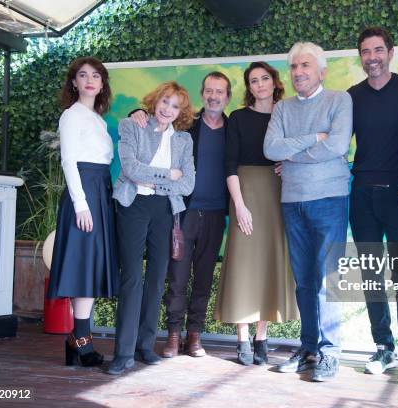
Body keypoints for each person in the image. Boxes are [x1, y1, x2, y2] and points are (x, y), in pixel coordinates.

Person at [264, 42, 352, 382]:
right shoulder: (283, 108)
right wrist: (313, 138)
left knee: (329, 280)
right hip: (292, 201)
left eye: (306, 66)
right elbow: (270, 148)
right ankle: (309, 348)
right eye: (294, 67)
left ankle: (330, 353)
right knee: (304, 282)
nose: (299, 72)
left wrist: (292, 155)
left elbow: (338, 145)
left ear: (321, 71)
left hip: (330, 198)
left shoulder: (339, 100)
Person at [130, 72, 231, 359]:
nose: (213, 96)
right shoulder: (188, 124)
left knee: (203, 277)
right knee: (177, 276)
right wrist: (136, 111)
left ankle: (195, 334)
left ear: (227, 97)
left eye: (219, 92)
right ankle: (173, 334)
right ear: (202, 94)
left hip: (215, 214)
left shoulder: (233, 127)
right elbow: (154, 121)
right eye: (209, 90)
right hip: (183, 211)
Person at [347, 27, 398, 377]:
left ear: (391, 52)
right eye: (365, 51)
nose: (372, 57)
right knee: (371, 276)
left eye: (378, 50)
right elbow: (332, 142)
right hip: (361, 194)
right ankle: (383, 347)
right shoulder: (351, 96)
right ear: (360, 56)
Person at [213, 61, 298, 366]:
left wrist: (288, 162)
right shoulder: (237, 118)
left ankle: (262, 337)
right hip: (245, 193)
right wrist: (239, 205)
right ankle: (242, 339)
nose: (260, 84)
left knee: (269, 262)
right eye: (253, 80)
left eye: (264, 78)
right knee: (243, 263)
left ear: (274, 82)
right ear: (248, 87)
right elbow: (229, 164)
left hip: (279, 192)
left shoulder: (288, 113)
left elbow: (299, 149)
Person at [108, 81, 195, 375]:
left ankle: (145, 347)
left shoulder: (184, 141)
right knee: (132, 277)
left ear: (181, 112)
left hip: (164, 209)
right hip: (133, 207)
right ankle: (122, 353)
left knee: (157, 278)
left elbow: (187, 184)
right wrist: (167, 174)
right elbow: (130, 169)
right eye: (165, 101)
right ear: (155, 100)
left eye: (175, 105)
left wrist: (154, 180)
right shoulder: (131, 126)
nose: (168, 109)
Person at [47, 56, 119, 367]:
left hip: (100, 192)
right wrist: (81, 204)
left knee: (88, 268)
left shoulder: (99, 119)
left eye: (96, 75)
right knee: (83, 268)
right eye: (82, 75)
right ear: (74, 83)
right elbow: (69, 162)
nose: (89, 80)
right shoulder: (71, 115)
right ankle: (81, 341)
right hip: (85, 196)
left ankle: (78, 340)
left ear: (102, 84)